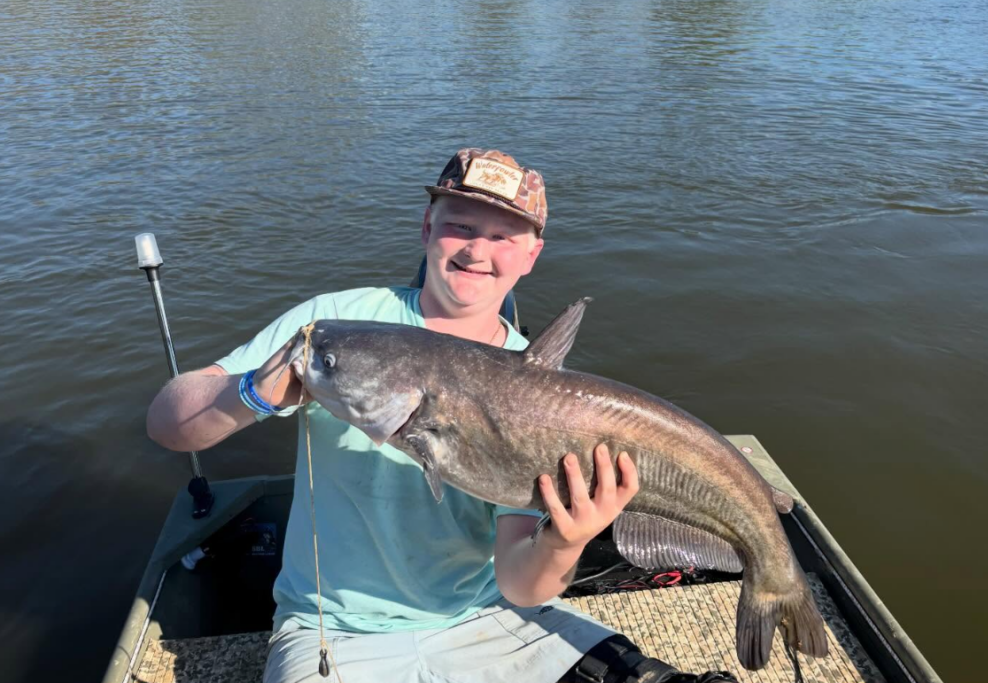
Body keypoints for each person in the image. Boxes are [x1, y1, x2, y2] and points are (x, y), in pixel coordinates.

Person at [147, 148, 729, 683]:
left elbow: (521, 586)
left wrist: (564, 540)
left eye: (503, 236)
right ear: (427, 228)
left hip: (493, 616)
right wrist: (255, 392)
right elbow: (167, 425)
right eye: (461, 226)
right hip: (336, 630)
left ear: (532, 255)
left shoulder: (541, 397)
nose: (477, 251)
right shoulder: (335, 323)